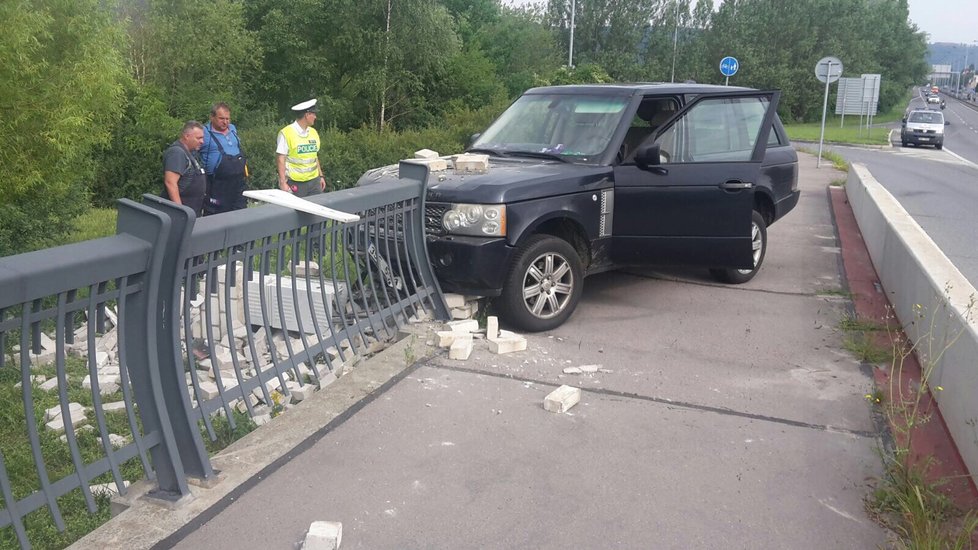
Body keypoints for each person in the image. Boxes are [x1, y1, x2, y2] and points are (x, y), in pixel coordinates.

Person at [200, 102, 248, 214]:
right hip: (217, 185)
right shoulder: (204, 132)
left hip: (238, 183)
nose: (225, 122)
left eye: (227, 119)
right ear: (212, 117)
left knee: (240, 214)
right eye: (221, 118)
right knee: (217, 219)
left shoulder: (232, 129)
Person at [276, 99, 327, 197]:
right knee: (297, 212)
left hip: (314, 182)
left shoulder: (313, 132)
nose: (315, 117)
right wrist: (283, 182)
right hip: (296, 183)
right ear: (307, 115)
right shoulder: (286, 133)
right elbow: (280, 159)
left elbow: (315, 157)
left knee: (316, 209)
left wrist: (320, 176)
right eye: (314, 114)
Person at [162, 121, 206, 215]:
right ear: (186, 136)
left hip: (193, 210)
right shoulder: (176, 153)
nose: (202, 141)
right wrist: (180, 211)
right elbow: (170, 183)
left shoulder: (192, 152)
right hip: (180, 213)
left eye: (202, 138)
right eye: (199, 138)